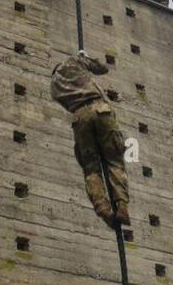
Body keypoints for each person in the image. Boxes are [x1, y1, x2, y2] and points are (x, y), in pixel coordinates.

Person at [50, 50, 130, 228]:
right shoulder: (73, 61)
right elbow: (102, 69)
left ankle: (103, 207)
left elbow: (65, 104)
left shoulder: (53, 87)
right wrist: (85, 56)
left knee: (91, 168)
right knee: (114, 160)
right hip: (100, 110)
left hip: (79, 118)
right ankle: (122, 205)